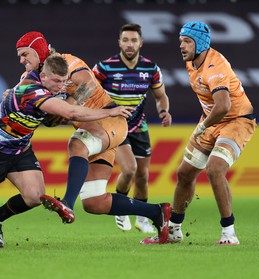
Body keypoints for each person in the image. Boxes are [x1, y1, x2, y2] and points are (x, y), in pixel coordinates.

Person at [0, 54, 134, 248]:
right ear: (45, 77)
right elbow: (70, 112)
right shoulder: (32, 90)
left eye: (63, 82)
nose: (60, 86)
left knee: (34, 196)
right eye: (56, 81)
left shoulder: (51, 87)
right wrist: (110, 111)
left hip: (20, 148)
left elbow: (73, 97)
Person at [15, 31, 172, 242]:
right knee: (94, 202)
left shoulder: (66, 62)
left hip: (109, 120)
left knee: (77, 144)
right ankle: (158, 212)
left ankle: (68, 204)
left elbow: (88, 85)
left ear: (39, 51)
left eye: (25, 54)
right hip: (94, 130)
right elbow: (34, 109)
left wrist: (66, 107)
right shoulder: (30, 79)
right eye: (19, 56)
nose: (21, 60)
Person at [141, 21, 256, 245]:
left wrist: (203, 126)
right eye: (180, 41)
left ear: (200, 44)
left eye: (187, 41)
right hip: (211, 121)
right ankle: (173, 230)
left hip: (236, 121)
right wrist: (206, 124)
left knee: (215, 169)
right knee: (185, 173)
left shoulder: (215, 67)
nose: (181, 46)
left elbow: (223, 106)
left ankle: (229, 233)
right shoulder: (192, 61)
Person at [92, 23, 172, 233]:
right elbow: (87, 92)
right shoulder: (104, 67)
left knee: (143, 176)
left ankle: (142, 219)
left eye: (133, 40)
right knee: (129, 169)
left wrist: (163, 112)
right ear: (119, 42)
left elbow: (161, 96)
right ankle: (121, 209)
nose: (129, 44)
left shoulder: (151, 68)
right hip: (114, 126)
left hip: (138, 126)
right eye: (125, 40)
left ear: (141, 43)